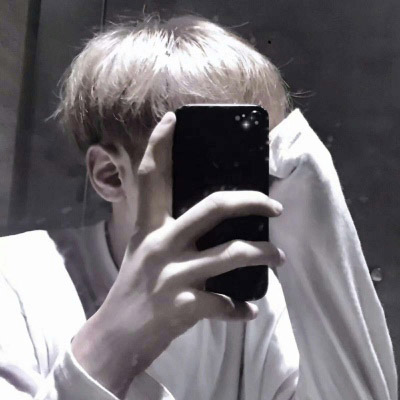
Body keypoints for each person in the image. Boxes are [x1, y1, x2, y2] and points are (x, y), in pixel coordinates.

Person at [0, 14, 397, 400]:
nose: (234, 196)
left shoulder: (258, 306)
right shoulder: (17, 279)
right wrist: (114, 340)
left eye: (251, 166)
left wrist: (310, 185)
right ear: (111, 175)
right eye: (206, 167)